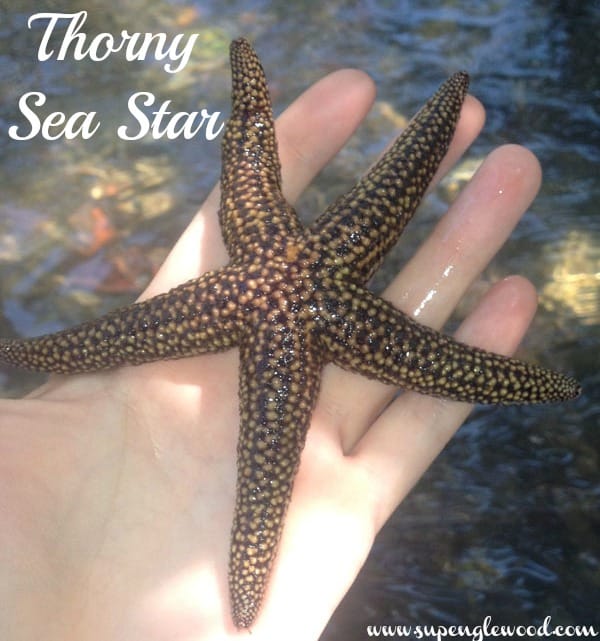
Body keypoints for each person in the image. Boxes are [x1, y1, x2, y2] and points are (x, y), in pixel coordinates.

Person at [0, 64, 544, 640]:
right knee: (279, 437)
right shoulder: (288, 264)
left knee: (274, 438)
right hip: (297, 317)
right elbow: (250, 172)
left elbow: (251, 174)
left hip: (275, 307)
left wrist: (34, 353)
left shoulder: (256, 236)